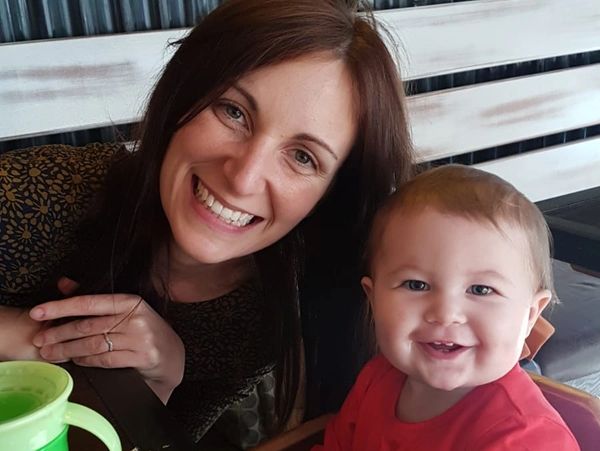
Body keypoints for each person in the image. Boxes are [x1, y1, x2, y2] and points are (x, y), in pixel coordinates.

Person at [0, 0, 414, 448]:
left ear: (331, 194)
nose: (243, 176)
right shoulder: (42, 195)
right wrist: (22, 335)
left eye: (302, 157)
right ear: (185, 94)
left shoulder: (260, 316)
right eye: (233, 111)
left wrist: (159, 386)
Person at [314, 165, 580, 450]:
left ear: (530, 314)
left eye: (481, 290)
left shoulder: (526, 439)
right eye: (416, 285)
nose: (445, 313)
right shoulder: (376, 378)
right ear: (373, 297)